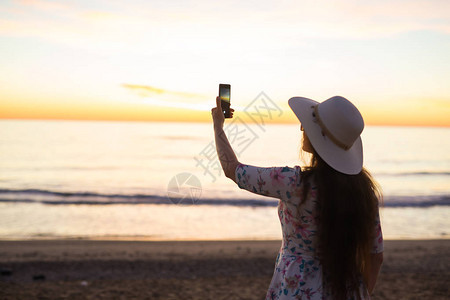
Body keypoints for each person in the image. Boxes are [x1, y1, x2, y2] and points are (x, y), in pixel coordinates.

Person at [211, 95, 383, 300]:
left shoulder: (294, 183)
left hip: (297, 290)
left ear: (319, 137)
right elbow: (376, 257)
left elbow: (233, 170)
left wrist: (218, 126)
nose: (302, 129)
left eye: (308, 126)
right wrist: (362, 293)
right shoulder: (364, 193)